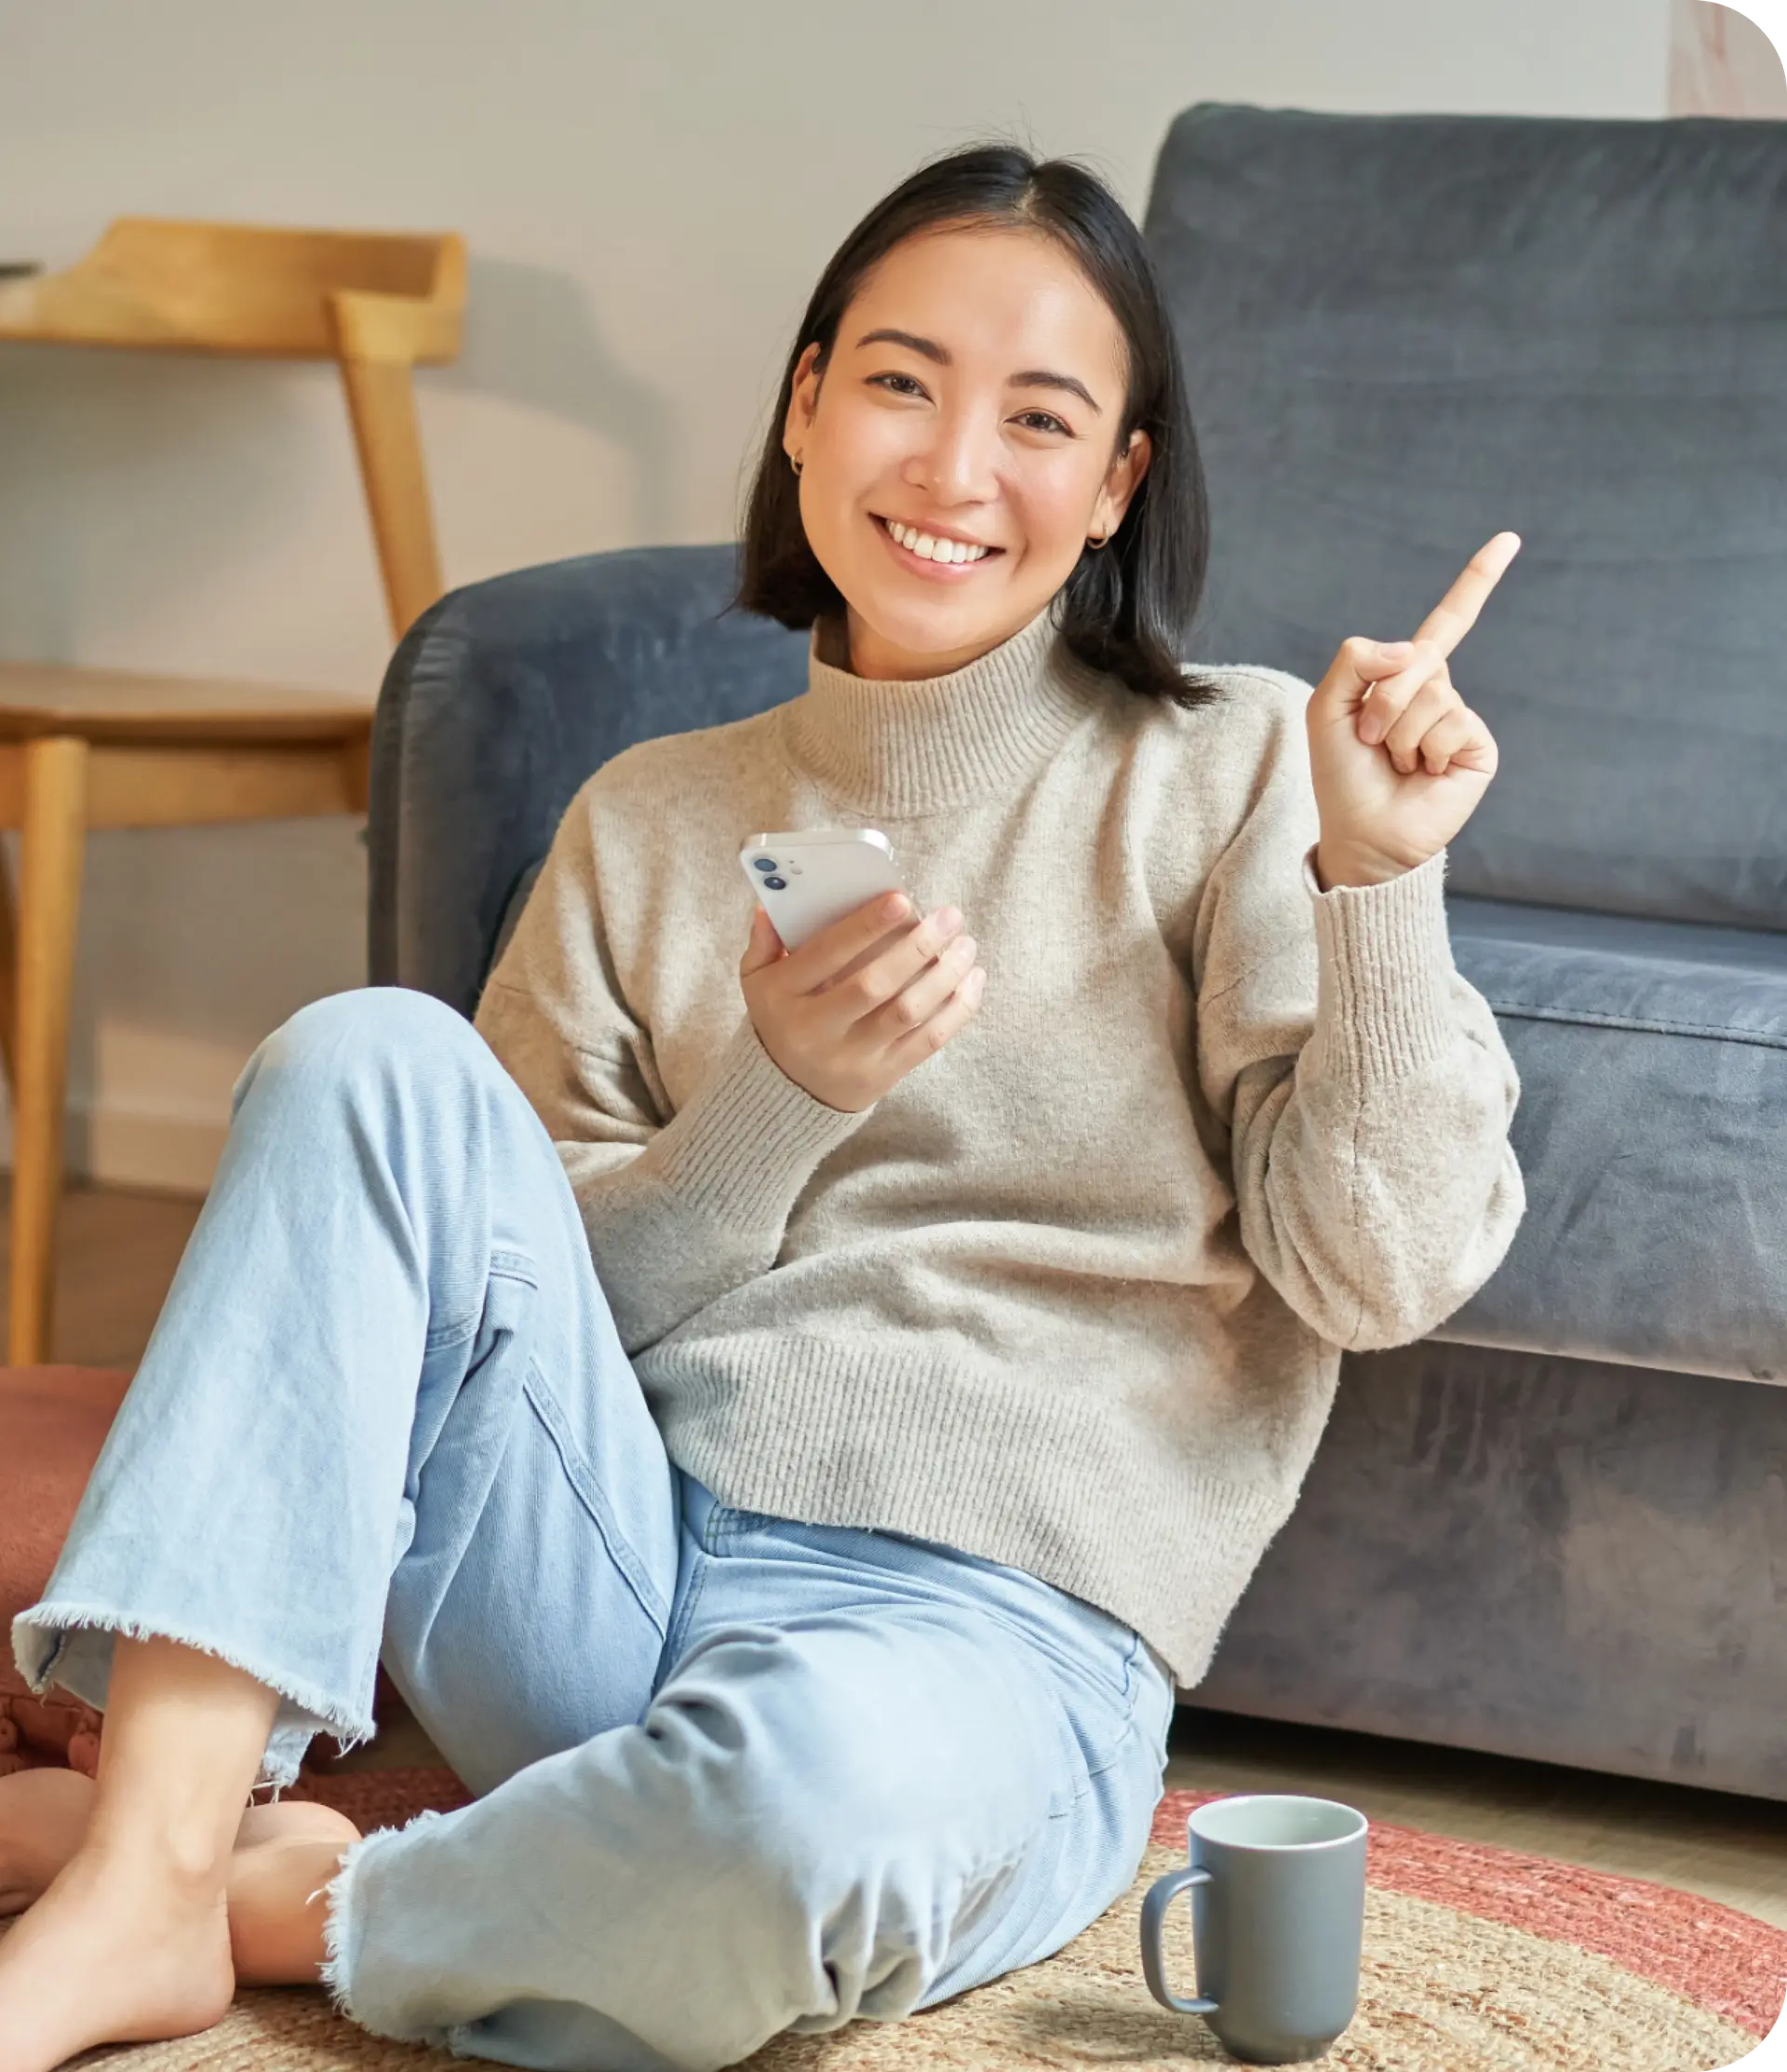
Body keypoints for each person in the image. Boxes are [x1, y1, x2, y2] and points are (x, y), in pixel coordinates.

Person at [0, 141, 1525, 2071]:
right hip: (607, 1564)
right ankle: (142, 1881)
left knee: (788, 1836)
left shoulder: (1235, 768)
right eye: (899, 381)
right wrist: (774, 1107)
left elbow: (1375, 1271)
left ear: (1119, 478)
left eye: (1041, 419)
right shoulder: (651, 818)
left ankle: (281, 1894)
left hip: (983, 1646)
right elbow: (491, 1329)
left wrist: (1377, 886)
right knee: (365, 1056)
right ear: (807, 401)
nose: (955, 467)